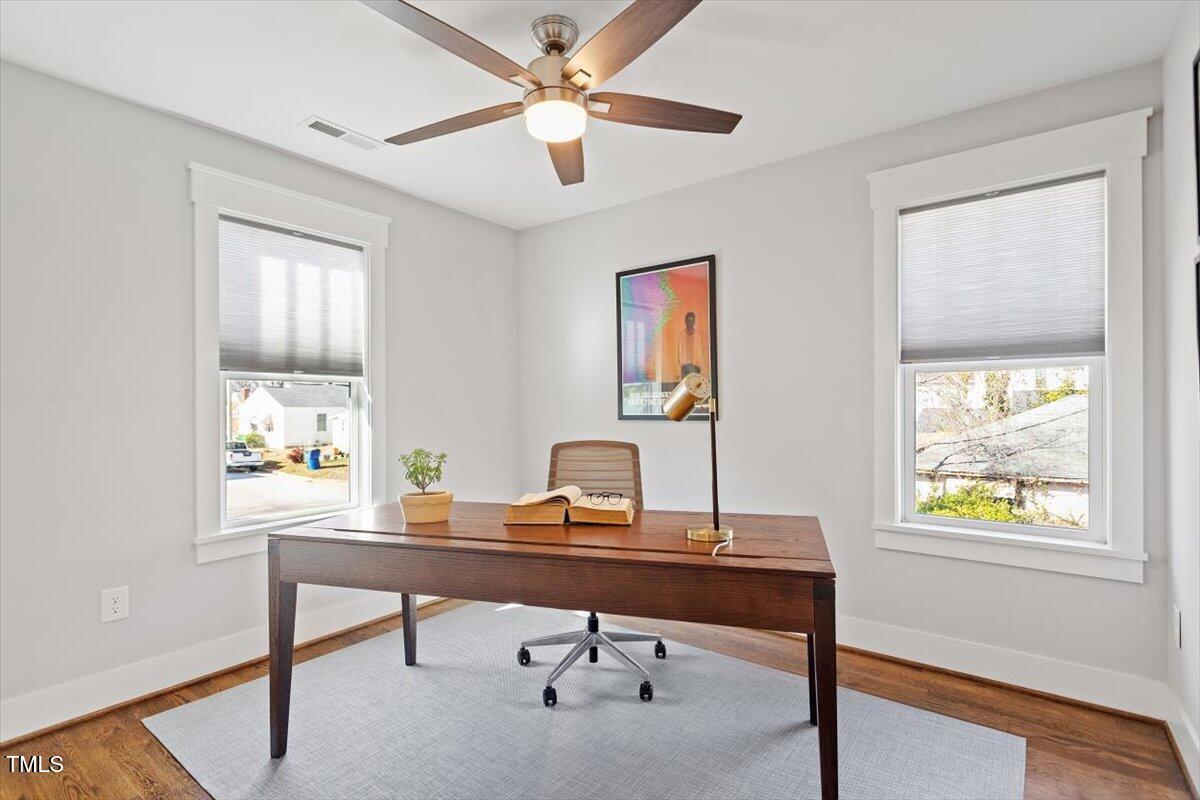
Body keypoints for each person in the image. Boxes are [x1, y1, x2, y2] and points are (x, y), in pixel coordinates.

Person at [676, 311, 708, 379]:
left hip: (696, 366)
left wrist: (701, 367)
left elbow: (701, 352)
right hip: (685, 366)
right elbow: (680, 354)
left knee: (694, 383)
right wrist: (683, 365)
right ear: (685, 322)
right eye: (688, 321)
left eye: (692, 321)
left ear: (694, 322)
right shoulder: (681, 336)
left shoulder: (698, 335)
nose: (690, 323)